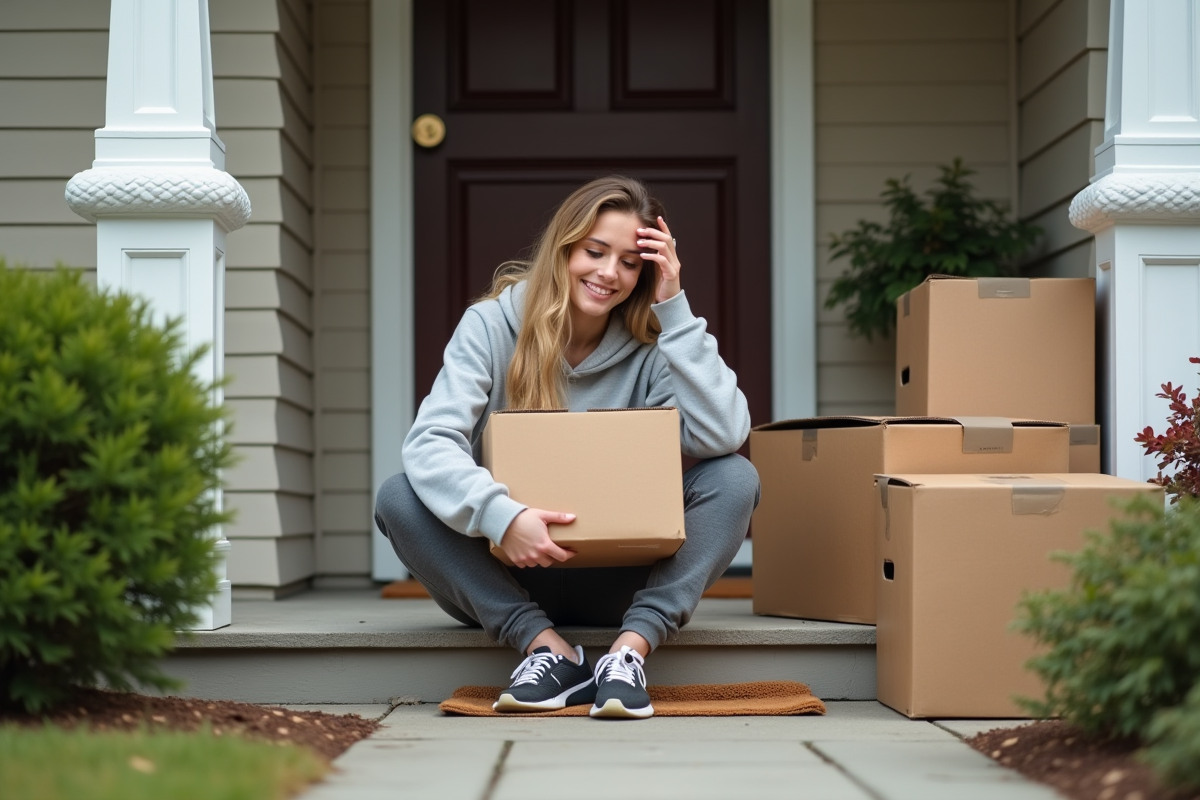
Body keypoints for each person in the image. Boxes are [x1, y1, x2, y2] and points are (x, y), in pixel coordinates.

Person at [374, 176, 759, 719]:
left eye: (630, 262)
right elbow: (430, 441)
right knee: (398, 495)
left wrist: (674, 308)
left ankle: (628, 654)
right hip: (506, 573)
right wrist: (502, 517)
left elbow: (722, 434)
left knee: (735, 476)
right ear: (564, 249)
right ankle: (546, 650)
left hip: (619, 580)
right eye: (595, 251)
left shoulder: (655, 346)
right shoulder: (489, 327)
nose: (609, 273)